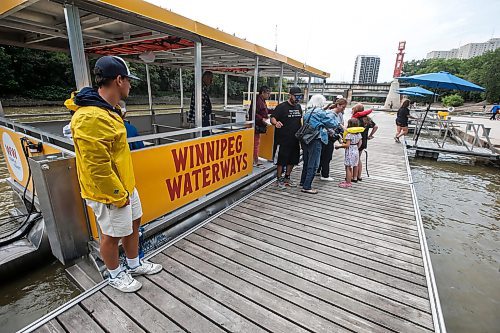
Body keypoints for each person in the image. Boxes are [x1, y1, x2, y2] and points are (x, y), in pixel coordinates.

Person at [67, 56, 162, 293]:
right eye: (129, 80)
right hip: (109, 191)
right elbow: (96, 167)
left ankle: (133, 263)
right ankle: (114, 274)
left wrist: (126, 189)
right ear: (119, 80)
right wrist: (118, 194)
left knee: (134, 223)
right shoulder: (90, 117)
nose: (130, 85)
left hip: (125, 185)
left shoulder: (109, 110)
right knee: (110, 234)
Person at [299, 94, 339, 194]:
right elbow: (332, 124)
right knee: (314, 164)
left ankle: (303, 181)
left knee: (306, 162)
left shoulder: (308, 111)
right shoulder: (320, 112)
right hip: (315, 139)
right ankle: (307, 186)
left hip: (305, 139)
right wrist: (333, 114)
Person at [270, 86, 304, 188]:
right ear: (290, 95)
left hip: (295, 139)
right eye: (296, 96)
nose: (297, 99)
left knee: (293, 159)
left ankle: (287, 177)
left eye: (299, 96)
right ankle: (279, 178)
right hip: (283, 139)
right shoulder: (281, 107)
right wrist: (276, 123)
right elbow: (272, 118)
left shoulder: (299, 107)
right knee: (281, 160)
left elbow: (300, 120)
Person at [317, 98, 347, 181]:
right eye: (343, 107)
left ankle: (318, 170)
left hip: (326, 137)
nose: (343, 109)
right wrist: (337, 134)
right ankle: (325, 175)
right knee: (327, 156)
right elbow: (328, 126)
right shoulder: (331, 114)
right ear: (338, 105)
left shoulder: (333, 113)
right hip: (327, 138)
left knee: (323, 155)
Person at [351, 103, 378, 181]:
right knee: (358, 158)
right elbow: (375, 126)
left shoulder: (355, 119)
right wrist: (370, 135)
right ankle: (359, 176)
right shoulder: (367, 118)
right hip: (364, 140)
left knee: (356, 159)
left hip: (356, 140)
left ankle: (355, 177)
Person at [335, 118, 362, 188]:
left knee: (348, 167)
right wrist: (356, 148)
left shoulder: (349, 135)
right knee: (353, 165)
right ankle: (349, 179)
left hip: (350, 152)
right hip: (356, 150)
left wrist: (339, 146)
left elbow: (347, 145)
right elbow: (360, 143)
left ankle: (348, 183)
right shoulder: (359, 134)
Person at [248, 86, 271, 167]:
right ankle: (255, 160)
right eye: (268, 93)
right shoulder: (258, 100)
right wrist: (262, 119)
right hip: (256, 124)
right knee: (255, 143)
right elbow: (253, 113)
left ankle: (255, 159)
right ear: (263, 93)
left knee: (256, 142)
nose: (269, 95)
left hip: (258, 124)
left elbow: (265, 110)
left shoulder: (261, 100)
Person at [188, 71, 213, 136]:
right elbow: (201, 105)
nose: (211, 82)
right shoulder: (201, 88)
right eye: (210, 79)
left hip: (200, 117)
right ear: (205, 78)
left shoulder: (199, 86)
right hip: (202, 118)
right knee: (205, 136)